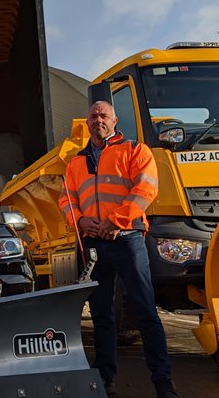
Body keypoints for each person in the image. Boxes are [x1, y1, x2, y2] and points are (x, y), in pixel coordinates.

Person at [58, 101, 180, 398]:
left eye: (103, 116)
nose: (98, 120)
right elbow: (67, 200)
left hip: (127, 238)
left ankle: (163, 383)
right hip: (94, 242)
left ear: (114, 120)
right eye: (93, 116)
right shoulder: (76, 163)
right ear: (86, 123)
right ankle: (105, 381)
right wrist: (82, 221)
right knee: (102, 314)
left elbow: (145, 189)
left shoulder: (136, 151)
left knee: (144, 310)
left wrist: (114, 221)